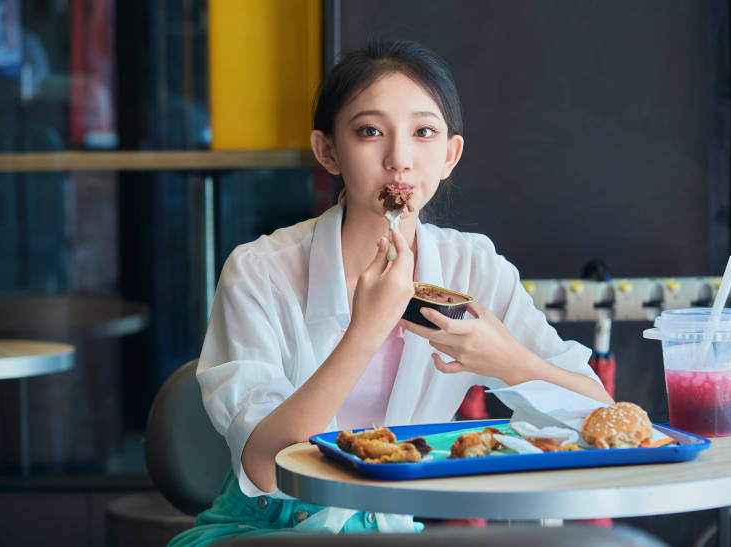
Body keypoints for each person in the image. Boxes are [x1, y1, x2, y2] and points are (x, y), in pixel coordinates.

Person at [169, 39, 613, 546]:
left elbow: (597, 417)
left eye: (424, 132)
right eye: (369, 132)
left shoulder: (475, 266)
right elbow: (267, 467)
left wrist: (509, 361)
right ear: (328, 151)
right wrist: (365, 331)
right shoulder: (258, 272)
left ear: (450, 155)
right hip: (263, 531)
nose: (399, 159)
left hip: (395, 531)